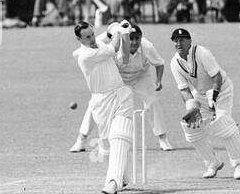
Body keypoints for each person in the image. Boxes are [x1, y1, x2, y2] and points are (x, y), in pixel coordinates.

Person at [72, 23, 172, 153]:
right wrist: (116, 30)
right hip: (119, 78)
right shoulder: (113, 43)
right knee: (93, 104)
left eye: (138, 38)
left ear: (142, 38)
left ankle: (162, 138)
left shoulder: (147, 46)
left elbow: (159, 63)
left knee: (152, 101)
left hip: (141, 77)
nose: (135, 42)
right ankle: (81, 139)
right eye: (131, 38)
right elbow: (122, 56)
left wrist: (158, 81)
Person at [169, 28, 240, 180]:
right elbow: (184, 90)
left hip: (221, 90)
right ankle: (213, 162)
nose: (179, 43)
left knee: (222, 123)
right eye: (176, 41)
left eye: (182, 40)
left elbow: (217, 77)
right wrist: (193, 108)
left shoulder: (202, 53)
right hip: (201, 95)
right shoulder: (174, 63)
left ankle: (239, 163)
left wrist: (215, 96)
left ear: (189, 41)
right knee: (191, 127)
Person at [72, 20, 135, 194]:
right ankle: (122, 177)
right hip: (101, 100)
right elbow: (113, 47)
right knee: (106, 143)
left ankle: (113, 181)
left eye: (92, 34)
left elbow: (105, 37)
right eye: (87, 37)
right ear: (79, 39)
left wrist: (115, 28)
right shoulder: (86, 56)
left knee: (119, 135)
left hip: (121, 94)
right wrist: (118, 32)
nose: (92, 39)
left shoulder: (96, 43)